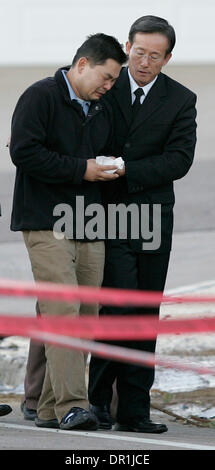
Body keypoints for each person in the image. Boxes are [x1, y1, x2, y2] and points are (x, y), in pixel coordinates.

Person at [9, 33, 127, 431]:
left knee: (87, 313)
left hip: (89, 221)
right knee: (63, 311)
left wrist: (110, 168)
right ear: (82, 65)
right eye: (106, 78)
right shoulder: (39, 96)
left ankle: (47, 408)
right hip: (45, 221)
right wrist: (83, 169)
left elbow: (100, 156)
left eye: (113, 81)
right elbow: (23, 151)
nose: (108, 87)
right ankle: (74, 406)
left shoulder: (101, 108)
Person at [88, 16, 197, 433]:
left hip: (152, 217)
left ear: (167, 58)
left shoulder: (180, 99)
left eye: (155, 56)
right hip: (106, 214)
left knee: (145, 314)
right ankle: (98, 403)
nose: (144, 62)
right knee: (115, 309)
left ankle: (135, 411)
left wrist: (127, 167)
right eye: (138, 52)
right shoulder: (107, 86)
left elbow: (179, 160)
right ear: (127, 46)